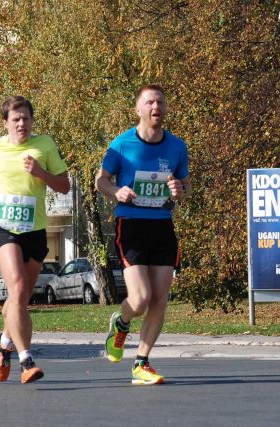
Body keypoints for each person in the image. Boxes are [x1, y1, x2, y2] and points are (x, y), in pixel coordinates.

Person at [0, 96, 70, 384]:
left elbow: (64, 186)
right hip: (4, 228)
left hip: (35, 230)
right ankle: (26, 359)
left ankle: (4, 343)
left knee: (20, 297)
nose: (22, 123)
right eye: (15, 119)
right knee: (16, 289)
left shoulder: (45, 145)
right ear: (5, 123)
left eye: (26, 118)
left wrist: (40, 172)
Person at [95, 84, 190, 385]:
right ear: (138, 109)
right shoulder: (122, 145)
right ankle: (121, 323)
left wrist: (179, 190)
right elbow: (101, 180)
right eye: (149, 102)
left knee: (160, 299)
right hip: (131, 225)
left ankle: (141, 363)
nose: (155, 107)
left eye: (160, 102)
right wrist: (116, 190)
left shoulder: (177, 147)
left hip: (162, 225)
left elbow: (186, 187)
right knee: (141, 298)